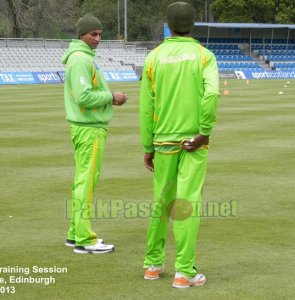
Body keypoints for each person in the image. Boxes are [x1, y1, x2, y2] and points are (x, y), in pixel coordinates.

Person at [140, 2, 219, 288]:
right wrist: (205, 132)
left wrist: (147, 146)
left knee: (161, 203)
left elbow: (146, 107)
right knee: (185, 204)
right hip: (192, 142)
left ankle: (152, 265)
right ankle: (184, 272)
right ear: (192, 24)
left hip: (162, 142)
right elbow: (211, 96)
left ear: (168, 25)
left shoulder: (153, 57)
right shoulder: (204, 56)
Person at [62, 13, 128, 254]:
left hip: (87, 127)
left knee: (82, 180)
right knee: (86, 182)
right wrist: (112, 96)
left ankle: (74, 233)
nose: (97, 38)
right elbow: (84, 97)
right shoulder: (81, 59)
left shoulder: (84, 57)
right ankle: (84, 239)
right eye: (93, 34)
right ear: (82, 34)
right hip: (89, 129)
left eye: (100, 34)